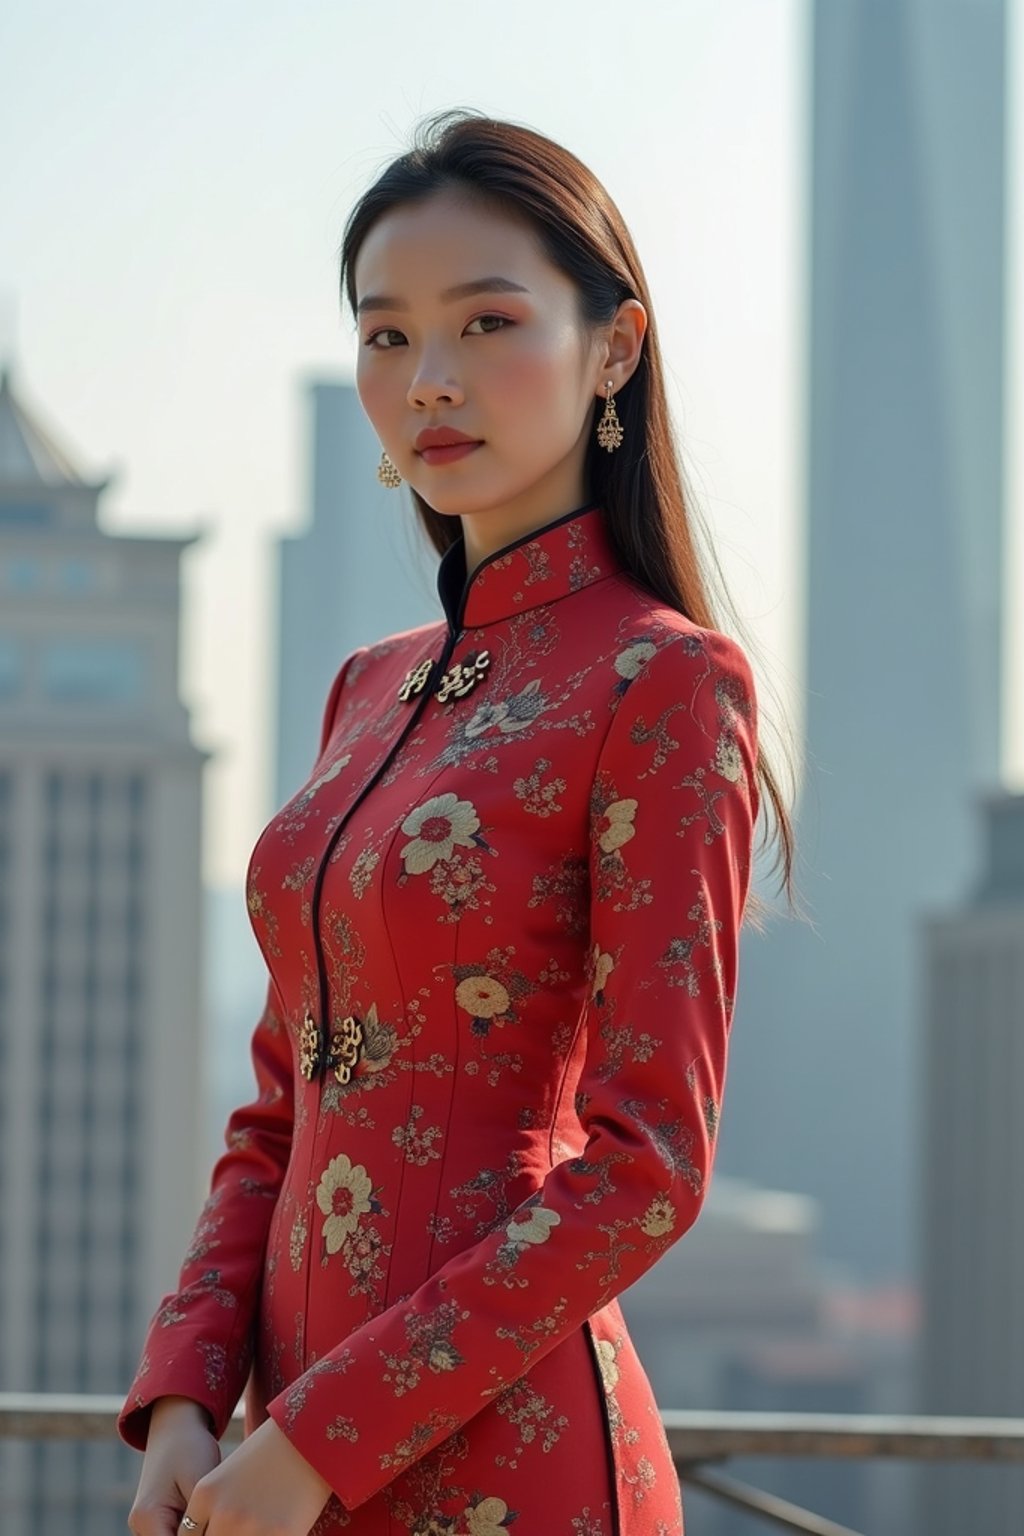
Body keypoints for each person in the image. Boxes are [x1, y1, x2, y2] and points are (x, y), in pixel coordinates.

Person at [119, 108, 795, 1536]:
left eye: (489, 322)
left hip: (507, 1460)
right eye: (386, 336)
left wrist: (318, 1442)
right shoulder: (368, 690)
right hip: (265, 1462)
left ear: (614, 348)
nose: (431, 379)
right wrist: (185, 1392)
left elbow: (648, 1169)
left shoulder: (664, 681)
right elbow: (280, 1104)